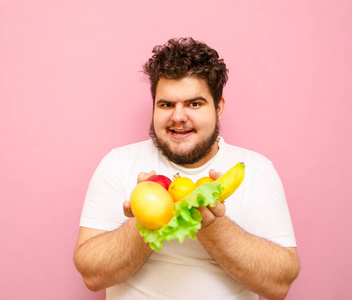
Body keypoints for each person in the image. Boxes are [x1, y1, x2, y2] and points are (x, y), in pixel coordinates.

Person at [73, 37, 300, 300]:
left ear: (219, 108)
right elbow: (92, 275)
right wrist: (145, 223)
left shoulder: (256, 169)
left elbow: (279, 284)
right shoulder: (118, 163)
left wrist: (211, 224)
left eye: (194, 104)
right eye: (166, 104)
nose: (178, 117)